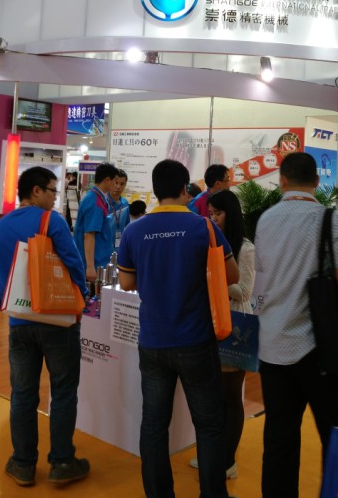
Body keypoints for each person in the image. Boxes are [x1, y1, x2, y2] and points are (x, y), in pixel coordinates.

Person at [117, 158, 239, 498]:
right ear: (185, 189)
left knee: (154, 425)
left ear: (155, 191)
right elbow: (231, 275)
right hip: (196, 340)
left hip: (153, 341)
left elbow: (126, 282)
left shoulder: (134, 230)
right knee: (209, 424)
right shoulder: (204, 228)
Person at [254, 152, 338, 498]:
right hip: (322, 353)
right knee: (335, 440)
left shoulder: (265, 220)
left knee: (279, 441)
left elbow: (263, 280)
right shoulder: (330, 220)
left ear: (282, 181)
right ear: (317, 183)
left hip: (274, 350)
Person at [0, 166, 90, 487]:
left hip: (19, 323)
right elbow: (74, 263)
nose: (55, 197)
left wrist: (8, 305)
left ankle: (23, 464)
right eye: (52, 191)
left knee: (22, 394)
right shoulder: (51, 221)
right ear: (36, 191)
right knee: (63, 390)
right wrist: (82, 297)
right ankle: (62, 461)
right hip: (57, 320)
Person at [190, 189, 255, 481]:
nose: (213, 218)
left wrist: (213, 277)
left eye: (218, 213)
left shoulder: (245, 248)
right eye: (210, 213)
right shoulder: (208, 242)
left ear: (231, 214)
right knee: (212, 398)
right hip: (209, 325)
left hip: (236, 326)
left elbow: (244, 292)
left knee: (230, 396)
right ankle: (214, 455)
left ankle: (228, 461)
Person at [73, 161, 120, 281]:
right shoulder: (95, 202)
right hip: (93, 263)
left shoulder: (97, 198)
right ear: (107, 180)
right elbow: (89, 235)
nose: (116, 185)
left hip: (98, 260)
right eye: (115, 181)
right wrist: (90, 266)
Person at [107, 168, 130, 252]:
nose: (118, 187)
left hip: (120, 248)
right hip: (104, 248)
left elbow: (127, 226)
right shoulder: (103, 202)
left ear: (125, 184)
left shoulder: (125, 203)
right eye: (116, 183)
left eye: (122, 184)